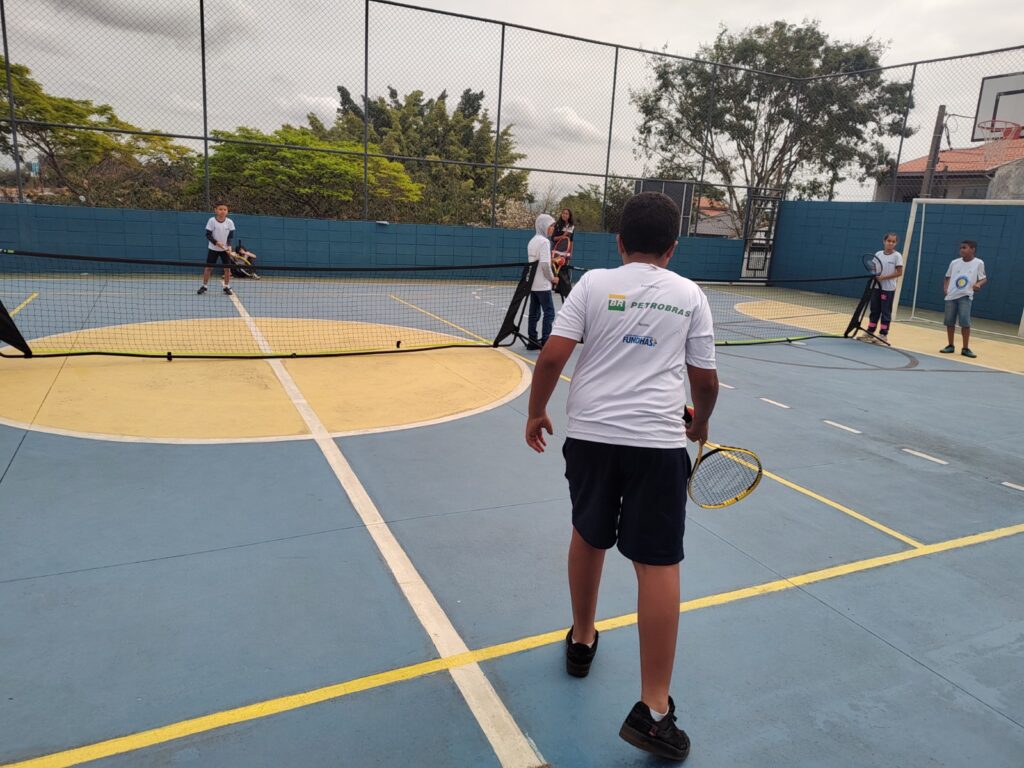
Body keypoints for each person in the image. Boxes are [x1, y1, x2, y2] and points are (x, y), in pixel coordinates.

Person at [524, 191, 718, 762]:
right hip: (656, 443)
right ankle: (654, 709)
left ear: (618, 242)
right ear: (673, 247)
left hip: (589, 438)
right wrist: (699, 424)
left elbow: (552, 358)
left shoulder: (591, 284)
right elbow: (704, 383)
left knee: (588, 534)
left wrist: (536, 411)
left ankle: (582, 641)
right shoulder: (690, 295)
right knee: (657, 564)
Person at [940, 239, 987, 358]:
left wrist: (978, 284)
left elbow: (983, 278)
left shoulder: (979, 263)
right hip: (951, 296)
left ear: (973, 249)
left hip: (965, 296)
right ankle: (950, 345)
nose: (961, 250)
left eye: (964, 247)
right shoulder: (954, 262)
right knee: (949, 322)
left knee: (965, 323)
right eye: (961, 248)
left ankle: (965, 348)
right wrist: (946, 289)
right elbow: (947, 277)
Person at [860, 231, 903, 343]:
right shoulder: (878, 253)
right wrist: (874, 275)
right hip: (876, 287)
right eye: (889, 241)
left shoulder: (897, 256)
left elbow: (899, 273)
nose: (890, 243)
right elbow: (874, 268)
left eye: (893, 242)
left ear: (896, 243)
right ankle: (870, 332)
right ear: (884, 241)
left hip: (888, 289)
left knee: (885, 311)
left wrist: (883, 277)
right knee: (874, 310)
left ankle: (883, 335)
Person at [526, 212, 558, 350]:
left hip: (532, 285)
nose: (552, 229)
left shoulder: (532, 241)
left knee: (533, 313)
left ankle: (532, 340)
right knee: (549, 312)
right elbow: (544, 264)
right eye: (551, 226)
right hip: (543, 285)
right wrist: (552, 278)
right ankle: (545, 340)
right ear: (544, 226)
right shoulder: (544, 242)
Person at [198, 201, 235, 295]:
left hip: (225, 250)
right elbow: (208, 235)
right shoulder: (211, 221)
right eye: (220, 209)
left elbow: (230, 237)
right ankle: (204, 286)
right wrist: (216, 242)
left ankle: (226, 286)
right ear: (216, 210)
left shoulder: (230, 222)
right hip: (213, 249)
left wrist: (229, 247)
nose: (223, 211)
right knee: (208, 268)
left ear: (227, 211)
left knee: (227, 269)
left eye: (225, 209)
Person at [552, 208, 575, 304]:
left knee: (564, 271)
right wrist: (563, 235)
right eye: (563, 213)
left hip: (566, 254)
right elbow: (553, 238)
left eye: (566, 214)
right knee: (558, 272)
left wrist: (570, 253)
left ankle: (566, 293)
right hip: (557, 253)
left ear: (569, 216)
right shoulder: (557, 225)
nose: (564, 215)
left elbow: (571, 241)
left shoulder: (572, 226)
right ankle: (561, 290)